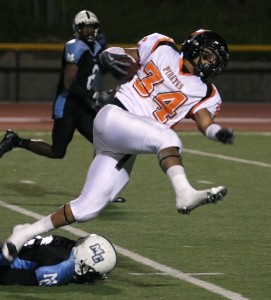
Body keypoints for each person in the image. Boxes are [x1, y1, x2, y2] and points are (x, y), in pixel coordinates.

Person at [1, 29, 235, 262]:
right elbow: (124, 54)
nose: (210, 64)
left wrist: (218, 133)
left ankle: (24, 233)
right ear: (195, 46)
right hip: (114, 115)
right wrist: (109, 54)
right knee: (169, 138)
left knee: (88, 207)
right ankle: (185, 193)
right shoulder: (162, 47)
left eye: (215, 61)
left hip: (124, 145)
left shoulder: (205, 92)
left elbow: (206, 122)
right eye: (208, 56)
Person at [0, 10, 125, 202]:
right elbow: (69, 83)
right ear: (77, 29)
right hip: (68, 106)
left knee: (104, 143)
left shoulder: (98, 46)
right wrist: (93, 95)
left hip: (84, 106)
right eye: (85, 27)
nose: (89, 30)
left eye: (92, 26)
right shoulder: (74, 47)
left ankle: (97, 190)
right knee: (57, 152)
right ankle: (15, 141)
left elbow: (95, 73)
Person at [0, 233, 117, 286]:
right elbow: (18, 278)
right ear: (83, 265)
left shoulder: (66, 245)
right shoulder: (62, 269)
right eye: (94, 274)